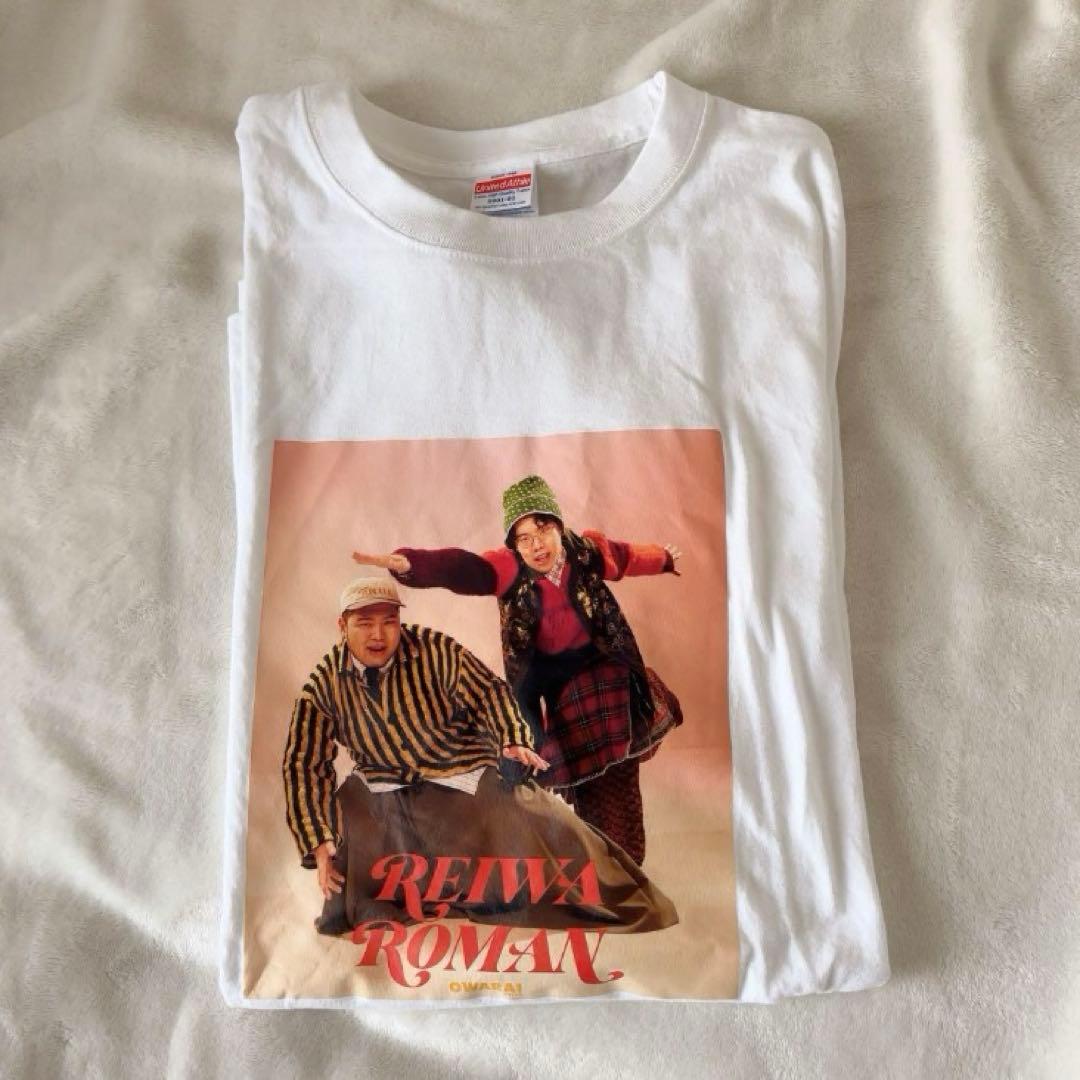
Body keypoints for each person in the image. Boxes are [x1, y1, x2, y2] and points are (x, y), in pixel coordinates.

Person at [282, 576, 678, 936]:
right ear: (342, 625)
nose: (378, 635)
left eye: (389, 621)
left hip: (459, 768)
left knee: (542, 822)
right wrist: (318, 841)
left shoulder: (435, 649)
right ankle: (378, 901)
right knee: (345, 812)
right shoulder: (322, 684)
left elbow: (489, 693)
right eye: (364, 623)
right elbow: (304, 764)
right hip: (384, 784)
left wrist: (511, 739)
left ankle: (613, 888)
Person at [351, 474, 683, 865]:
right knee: (544, 762)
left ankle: (626, 858)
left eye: (542, 529)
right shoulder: (508, 568)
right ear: (514, 546)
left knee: (616, 772)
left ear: (558, 526)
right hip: (549, 683)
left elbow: (626, 557)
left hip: (603, 668)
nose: (535, 545)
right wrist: (411, 564)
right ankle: (591, 856)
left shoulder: (585, 551)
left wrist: (663, 558)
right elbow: (464, 568)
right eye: (523, 538)